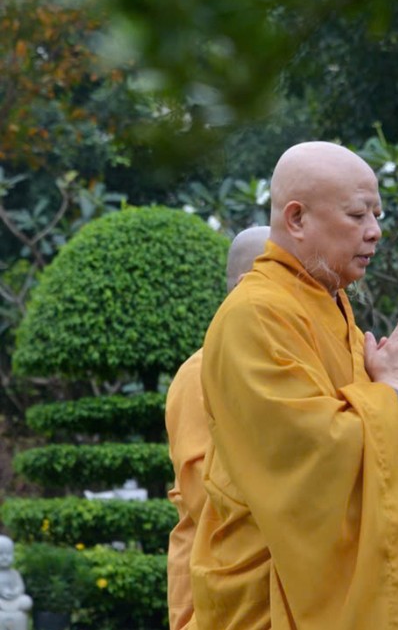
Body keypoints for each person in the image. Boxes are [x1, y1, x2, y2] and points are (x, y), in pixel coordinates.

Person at [189, 142, 398, 629]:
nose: (375, 231)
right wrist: (393, 391)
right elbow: (306, 455)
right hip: (279, 590)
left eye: (377, 214)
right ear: (297, 219)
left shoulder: (331, 304)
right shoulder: (255, 313)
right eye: (359, 214)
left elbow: (377, 438)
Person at [165, 225, 269, 630]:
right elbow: (205, 494)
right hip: (222, 588)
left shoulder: (284, 368)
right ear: (248, 285)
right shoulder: (202, 371)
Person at [0, 535, 31, 630]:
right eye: (1, 554)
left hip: (14, 600)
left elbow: (20, 587)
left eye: (8, 554)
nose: (5, 558)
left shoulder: (14, 573)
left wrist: (15, 592)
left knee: (26, 601)